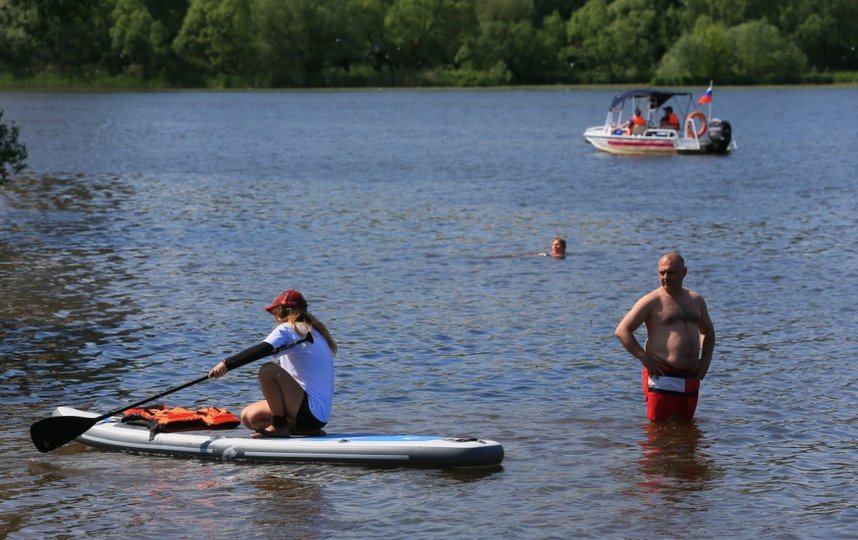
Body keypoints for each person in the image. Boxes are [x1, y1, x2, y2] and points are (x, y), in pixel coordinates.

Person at [208, 289, 337, 438]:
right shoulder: (315, 332)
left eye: (274, 311)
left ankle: (279, 427)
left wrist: (226, 364)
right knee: (249, 417)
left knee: (268, 370)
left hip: (308, 411)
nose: (274, 316)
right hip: (319, 416)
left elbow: (263, 349)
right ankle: (307, 430)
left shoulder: (289, 329)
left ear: (281, 311)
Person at [614, 252, 715, 422]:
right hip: (663, 375)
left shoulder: (696, 300)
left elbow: (708, 331)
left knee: (687, 431)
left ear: (684, 272)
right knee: (658, 433)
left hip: (690, 376)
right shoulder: (652, 301)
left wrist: (704, 362)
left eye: (670, 272)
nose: (665, 277)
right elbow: (623, 330)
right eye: (662, 273)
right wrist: (645, 359)